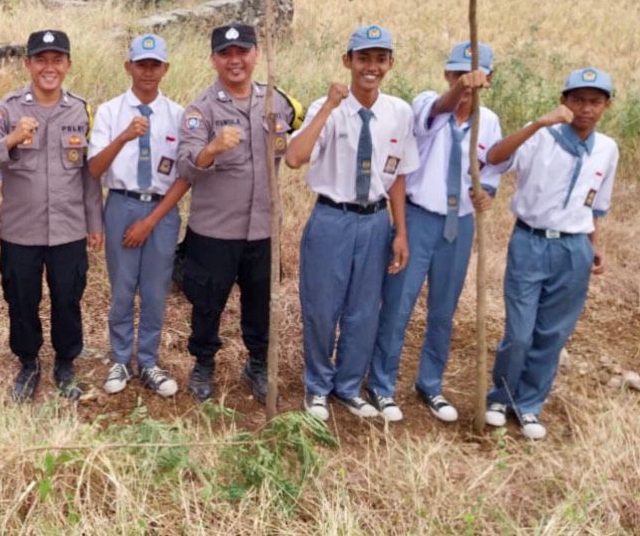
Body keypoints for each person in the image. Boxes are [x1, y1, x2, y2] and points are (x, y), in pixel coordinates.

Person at [285, 25, 418, 421]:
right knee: (322, 308)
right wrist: (327, 106)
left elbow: (397, 177)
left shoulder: (399, 112)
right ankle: (317, 386)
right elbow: (294, 158)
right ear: (348, 61)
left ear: (390, 64)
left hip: (375, 221)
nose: (371, 67)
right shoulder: (326, 108)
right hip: (332, 218)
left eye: (380, 59)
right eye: (363, 58)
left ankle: (347, 386)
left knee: (363, 311)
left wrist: (401, 232)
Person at [367, 42, 503, 423]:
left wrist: (485, 194)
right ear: (447, 75)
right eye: (458, 76)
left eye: (475, 79)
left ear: (488, 81)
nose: (467, 86)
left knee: (443, 310)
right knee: (398, 305)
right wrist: (461, 88)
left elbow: (490, 169)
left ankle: (430, 384)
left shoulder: (488, 122)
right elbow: (442, 108)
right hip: (418, 218)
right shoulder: (428, 103)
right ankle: (381, 385)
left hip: (457, 225)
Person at [482, 67, 618, 440]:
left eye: (594, 101)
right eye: (577, 100)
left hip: (574, 246)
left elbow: (595, 205)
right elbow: (494, 156)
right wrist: (537, 124)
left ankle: (529, 404)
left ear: (606, 105)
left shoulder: (607, 149)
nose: (585, 109)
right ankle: (501, 396)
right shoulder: (541, 136)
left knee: (552, 333)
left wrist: (594, 245)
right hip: (530, 240)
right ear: (564, 101)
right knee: (520, 331)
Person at [0, 29, 103, 402]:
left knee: (68, 299)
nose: (49, 67)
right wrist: (10, 140)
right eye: (40, 60)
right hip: (20, 231)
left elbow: (89, 172)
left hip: (68, 229)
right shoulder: (7, 110)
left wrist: (95, 222)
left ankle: (65, 362)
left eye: (56, 60)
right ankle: (28, 363)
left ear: (68, 65)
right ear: (27, 64)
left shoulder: (81, 109)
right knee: (21, 301)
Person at [175, 23, 302, 402]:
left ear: (256, 55)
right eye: (226, 53)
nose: (235, 60)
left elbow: (296, 144)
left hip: (263, 226)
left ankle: (258, 364)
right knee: (208, 301)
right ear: (214, 59)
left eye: (242, 51)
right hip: (216, 228)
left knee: (260, 300)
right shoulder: (201, 109)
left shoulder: (276, 102)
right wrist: (211, 149)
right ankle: (203, 364)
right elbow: (185, 165)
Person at [88, 34, 189, 398]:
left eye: (155, 65)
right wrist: (123, 138)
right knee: (122, 288)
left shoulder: (178, 115)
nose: (148, 72)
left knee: (155, 290)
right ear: (128, 66)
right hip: (121, 203)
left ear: (165, 68)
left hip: (161, 210)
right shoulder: (110, 111)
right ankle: (119, 358)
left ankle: (147, 360)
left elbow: (184, 176)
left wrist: (152, 220)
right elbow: (94, 169)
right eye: (141, 64)